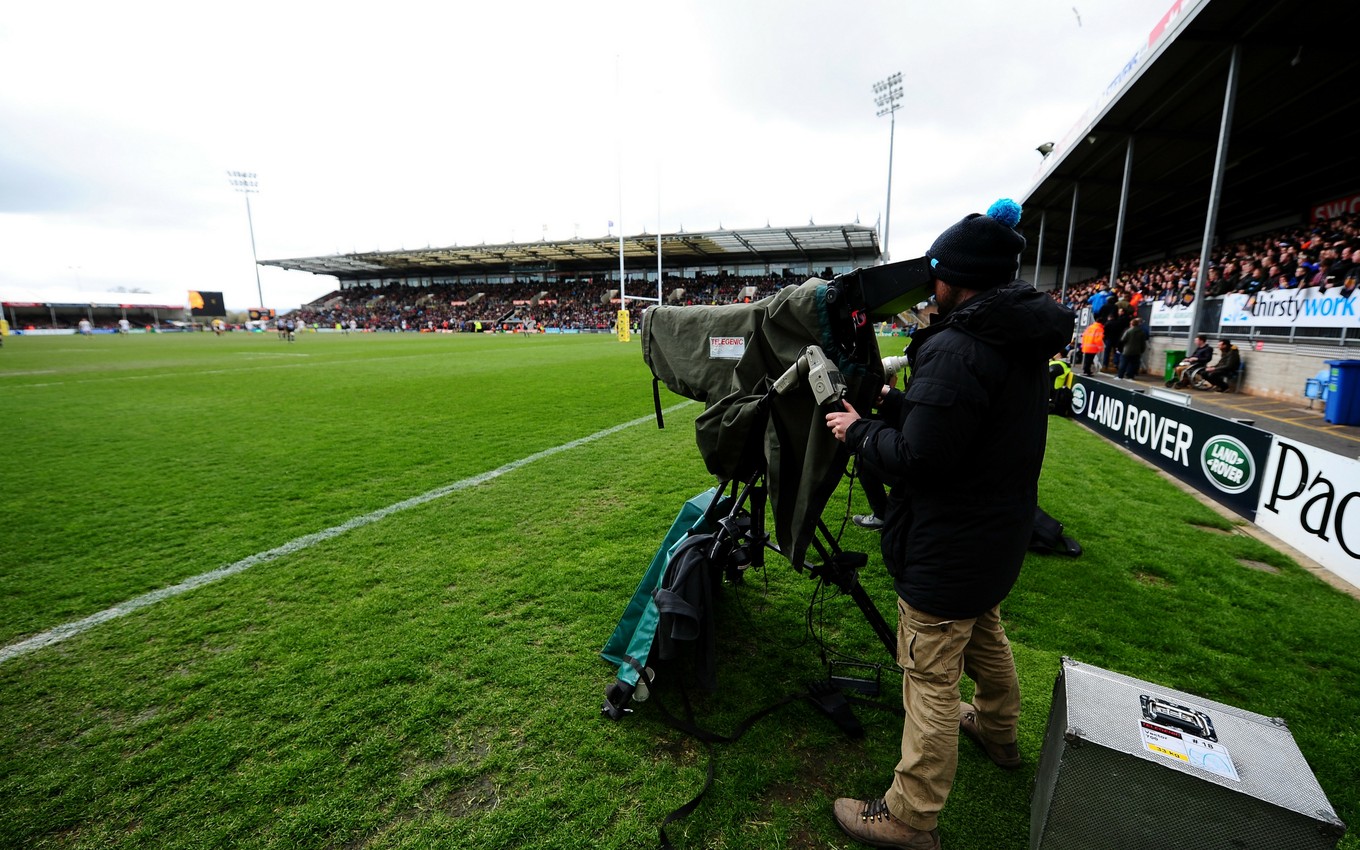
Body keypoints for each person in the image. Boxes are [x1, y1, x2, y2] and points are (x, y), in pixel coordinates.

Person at [825, 199, 1074, 850]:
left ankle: (910, 817)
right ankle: (997, 730)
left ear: (955, 279)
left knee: (930, 676)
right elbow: (966, 428)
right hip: (997, 533)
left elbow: (924, 459)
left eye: (934, 272)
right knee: (985, 634)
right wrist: (898, 402)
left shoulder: (959, 346)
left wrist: (860, 431)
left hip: (952, 540)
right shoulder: (1013, 336)